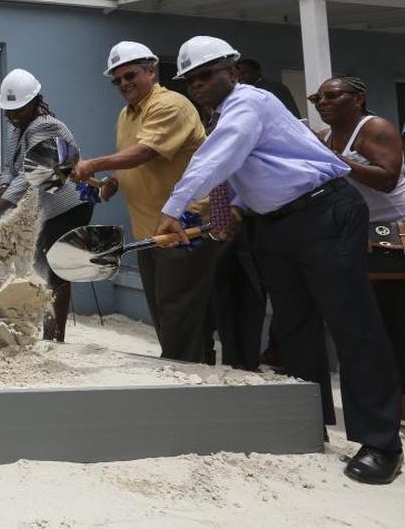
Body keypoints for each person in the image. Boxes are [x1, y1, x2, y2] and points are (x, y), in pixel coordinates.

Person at [156, 36, 402, 485]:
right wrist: (228, 212)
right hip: (275, 226)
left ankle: (381, 442)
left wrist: (173, 209)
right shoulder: (224, 115)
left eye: (206, 74)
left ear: (232, 70)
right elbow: (240, 170)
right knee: (294, 327)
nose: (199, 85)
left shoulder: (249, 103)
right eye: (191, 80)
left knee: (352, 325)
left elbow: (220, 154)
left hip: (323, 213)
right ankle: (309, 422)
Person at [71, 41, 217, 363]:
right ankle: (198, 378)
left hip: (182, 229)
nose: (124, 84)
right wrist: (113, 182)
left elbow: (147, 151)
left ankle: (180, 383)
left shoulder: (170, 105)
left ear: (152, 71)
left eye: (131, 75)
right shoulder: (126, 114)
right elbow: (136, 162)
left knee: (176, 314)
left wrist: (94, 165)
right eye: (117, 80)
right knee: (169, 315)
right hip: (149, 232)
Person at [312, 74, 405, 428]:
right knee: (372, 323)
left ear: (358, 98)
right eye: (318, 97)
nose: (323, 102)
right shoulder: (324, 137)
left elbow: (387, 178)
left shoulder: (375, 127)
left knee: (396, 321)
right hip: (358, 236)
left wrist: (336, 160)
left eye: (333, 95)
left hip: (393, 234)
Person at [0, 70, 92, 342]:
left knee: (57, 267)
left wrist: (1, 207)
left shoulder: (45, 126)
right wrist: (1, 191)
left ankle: (55, 335)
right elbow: (10, 170)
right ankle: (41, 327)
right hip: (45, 207)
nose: (13, 115)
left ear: (35, 102)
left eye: (19, 109)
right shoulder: (17, 129)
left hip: (68, 206)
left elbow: (30, 173)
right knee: (40, 266)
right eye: (9, 111)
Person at [236, 58, 301, 119]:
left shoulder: (275, 88)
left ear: (257, 72)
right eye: (238, 74)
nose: (241, 77)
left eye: (244, 73)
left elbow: (292, 115)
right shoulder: (240, 92)